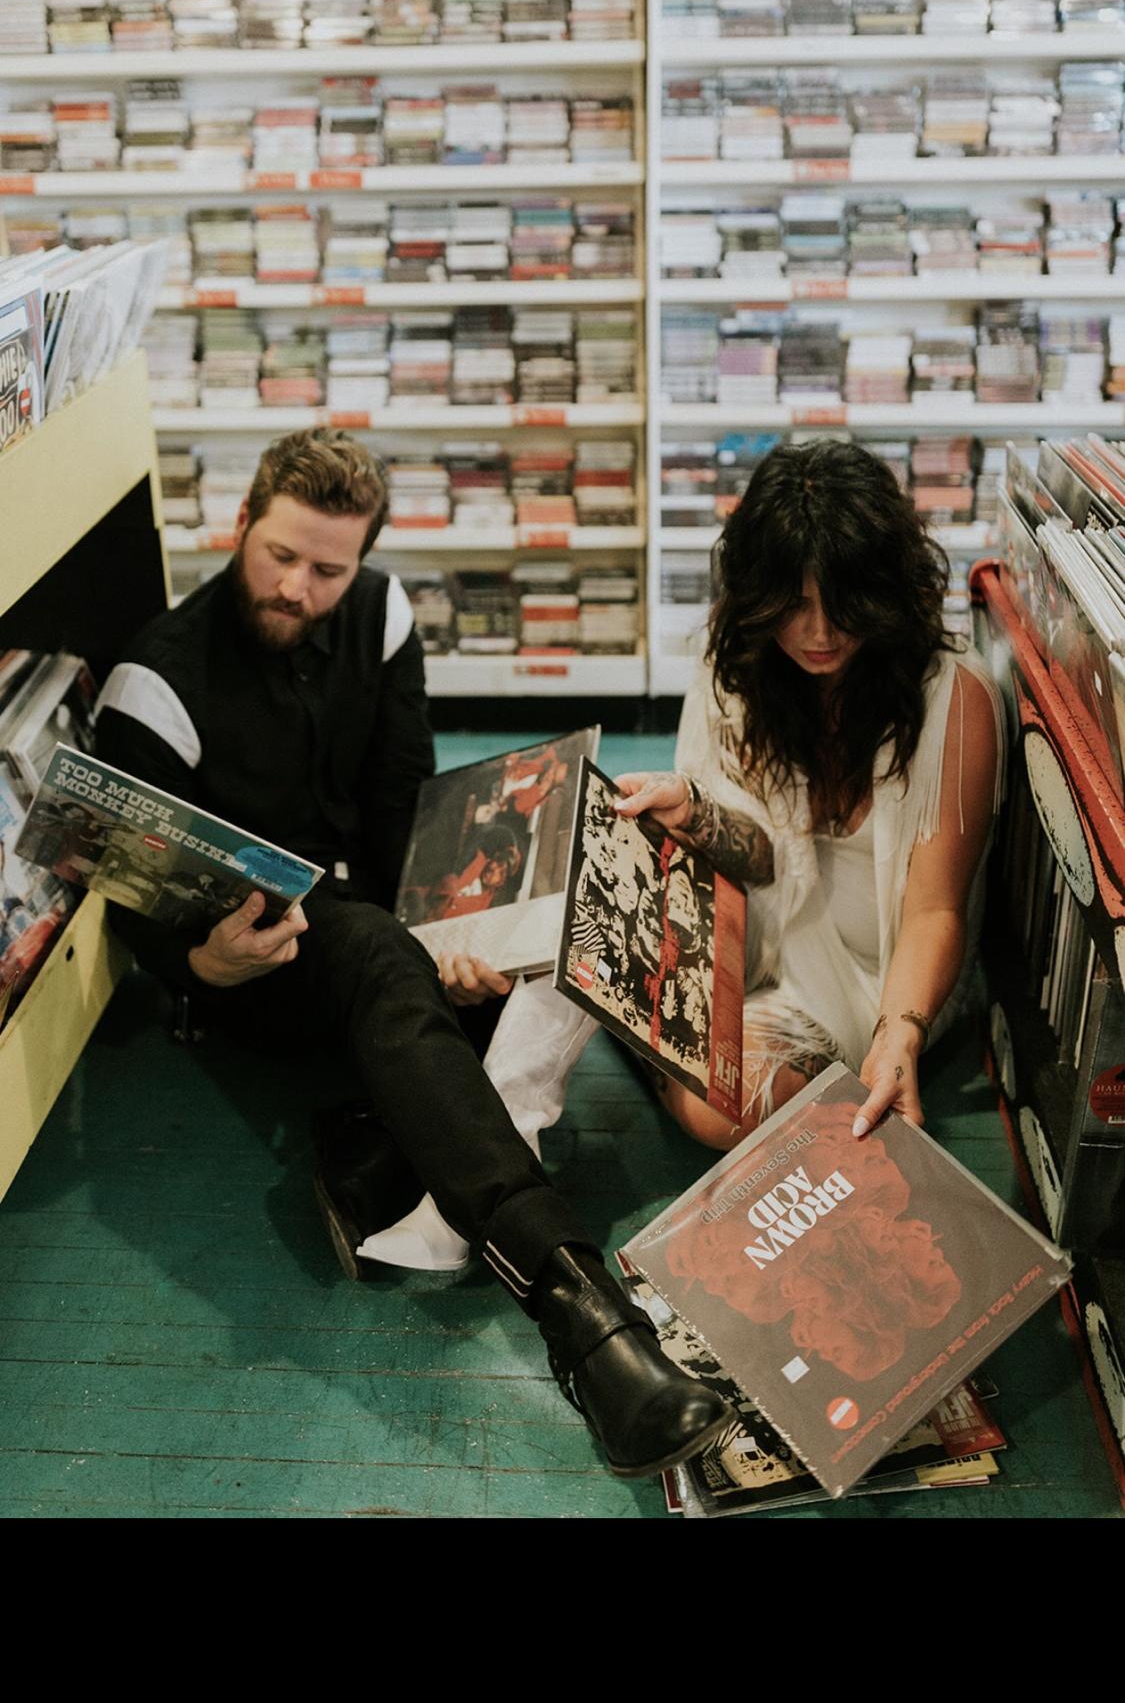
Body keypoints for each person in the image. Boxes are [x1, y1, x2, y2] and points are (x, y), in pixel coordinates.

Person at [93, 426, 731, 1480]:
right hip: (254, 965)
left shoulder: (381, 616)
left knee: (545, 926)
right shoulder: (154, 684)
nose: (297, 587)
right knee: (382, 960)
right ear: (240, 523)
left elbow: (406, 805)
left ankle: (379, 1147)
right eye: (279, 555)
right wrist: (205, 966)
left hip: (378, 922)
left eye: (327, 570)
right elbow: (134, 908)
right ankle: (588, 1326)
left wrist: (459, 928)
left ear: (362, 559)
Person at [614, 439, 1005, 1152]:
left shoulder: (953, 696)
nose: (819, 633)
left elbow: (936, 909)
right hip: (757, 934)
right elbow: (756, 857)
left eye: (844, 603)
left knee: (724, 1106)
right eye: (792, 605)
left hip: (882, 980)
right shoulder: (739, 666)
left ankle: (642, 1041)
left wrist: (900, 1034)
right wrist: (694, 810)